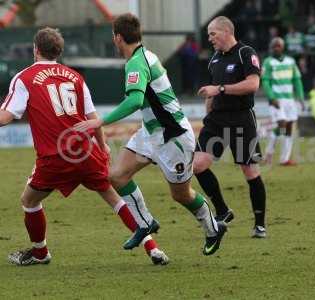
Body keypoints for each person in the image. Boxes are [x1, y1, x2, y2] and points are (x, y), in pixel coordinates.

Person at [0, 27, 168, 266]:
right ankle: (153, 248)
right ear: (58, 50)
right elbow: (93, 116)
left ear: (36, 49)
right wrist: (103, 146)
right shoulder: (75, 76)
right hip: (85, 151)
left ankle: (40, 253)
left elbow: (6, 117)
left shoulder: (25, 78)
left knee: (29, 201)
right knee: (115, 199)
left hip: (55, 157)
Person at [74, 13, 226, 256]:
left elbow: (135, 100)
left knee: (181, 194)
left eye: (114, 36)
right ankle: (145, 223)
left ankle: (212, 228)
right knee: (117, 176)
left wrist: (99, 121)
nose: (114, 40)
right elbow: (142, 99)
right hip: (151, 132)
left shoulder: (137, 62)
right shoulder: (146, 55)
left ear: (119, 37)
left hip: (173, 137)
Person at [193, 16, 267, 238]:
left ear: (226, 31)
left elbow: (253, 84)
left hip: (242, 118)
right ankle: (223, 211)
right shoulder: (214, 59)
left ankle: (260, 224)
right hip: (216, 119)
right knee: (197, 165)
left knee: (250, 171)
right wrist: (208, 112)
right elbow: (211, 90)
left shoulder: (246, 53)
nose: (210, 39)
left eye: (212, 34)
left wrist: (221, 90)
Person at [261, 37, 304, 166]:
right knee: (282, 125)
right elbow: (265, 81)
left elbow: (297, 79)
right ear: (271, 48)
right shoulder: (268, 63)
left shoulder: (291, 61)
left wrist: (300, 97)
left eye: (278, 46)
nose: (276, 48)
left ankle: (284, 159)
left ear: (282, 47)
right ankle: (269, 153)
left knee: (289, 128)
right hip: (276, 100)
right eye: (274, 46)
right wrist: (271, 97)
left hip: (289, 99)